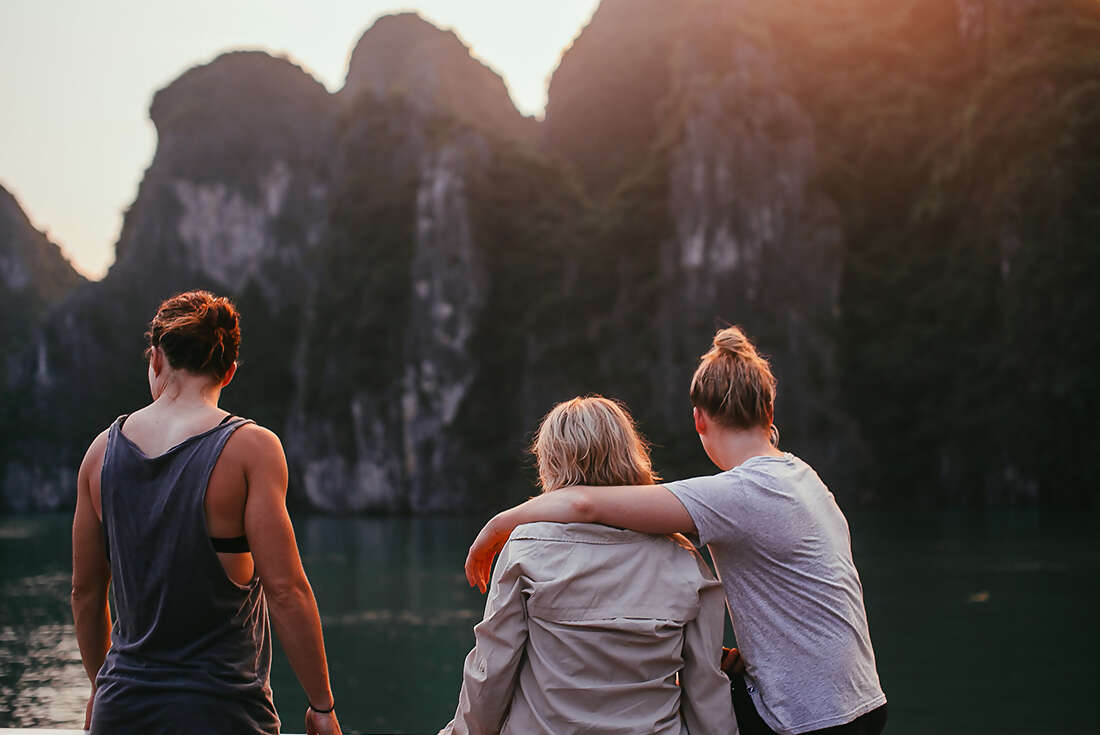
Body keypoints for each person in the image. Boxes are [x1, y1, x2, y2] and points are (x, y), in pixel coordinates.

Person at [466, 327, 887, 735]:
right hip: (861, 700)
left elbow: (584, 503)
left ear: (698, 419)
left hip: (803, 717)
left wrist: (498, 525)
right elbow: (705, 685)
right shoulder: (804, 479)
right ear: (770, 413)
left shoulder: (735, 493)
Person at [71, 290, 341, 735]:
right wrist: (321, 706)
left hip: (121, 711)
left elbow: (85, 591)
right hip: (223, 712)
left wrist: (102, 689)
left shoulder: (100, 453)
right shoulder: (251, 449)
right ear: (229, 372)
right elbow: (286, 591)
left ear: (157, 359)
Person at [441, 396, 734, 735]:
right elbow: (706, 691)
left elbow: (490, 673)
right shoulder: (684, 559)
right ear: (630, 454)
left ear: (551, 462)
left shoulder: (526, 550)